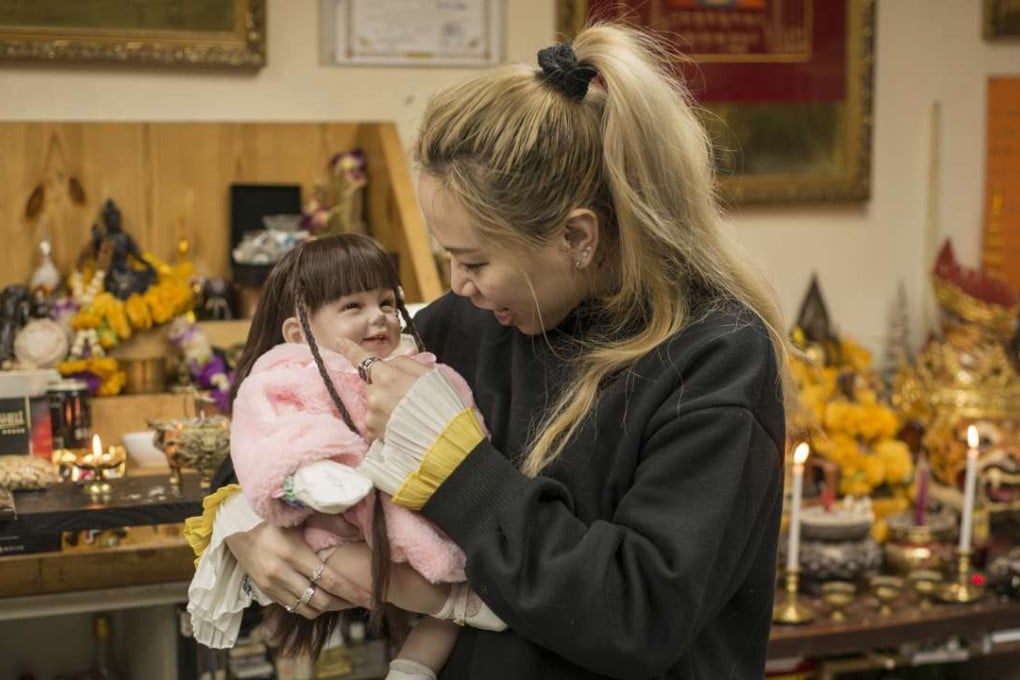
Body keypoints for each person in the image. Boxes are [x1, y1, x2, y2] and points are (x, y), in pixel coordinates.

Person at [220, 22, 793, 679]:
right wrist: (245, 530)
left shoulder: (715, 359)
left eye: (474, 260)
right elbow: (275, 410)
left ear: (576, 237)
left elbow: (639, 617)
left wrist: (457, 470)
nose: (456, 286)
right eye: (449, 259)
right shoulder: (473, 321)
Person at [186, 234, 503, 680]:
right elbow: (259, 443)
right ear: (298, 332)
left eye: (388, 303)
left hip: (435, 524)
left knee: (452, 592)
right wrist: (245, 519)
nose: (378, 317)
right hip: (340, 518)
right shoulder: (294, 375)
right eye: (353, 306)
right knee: (382, 575)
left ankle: (414, 664)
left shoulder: (415, 358)